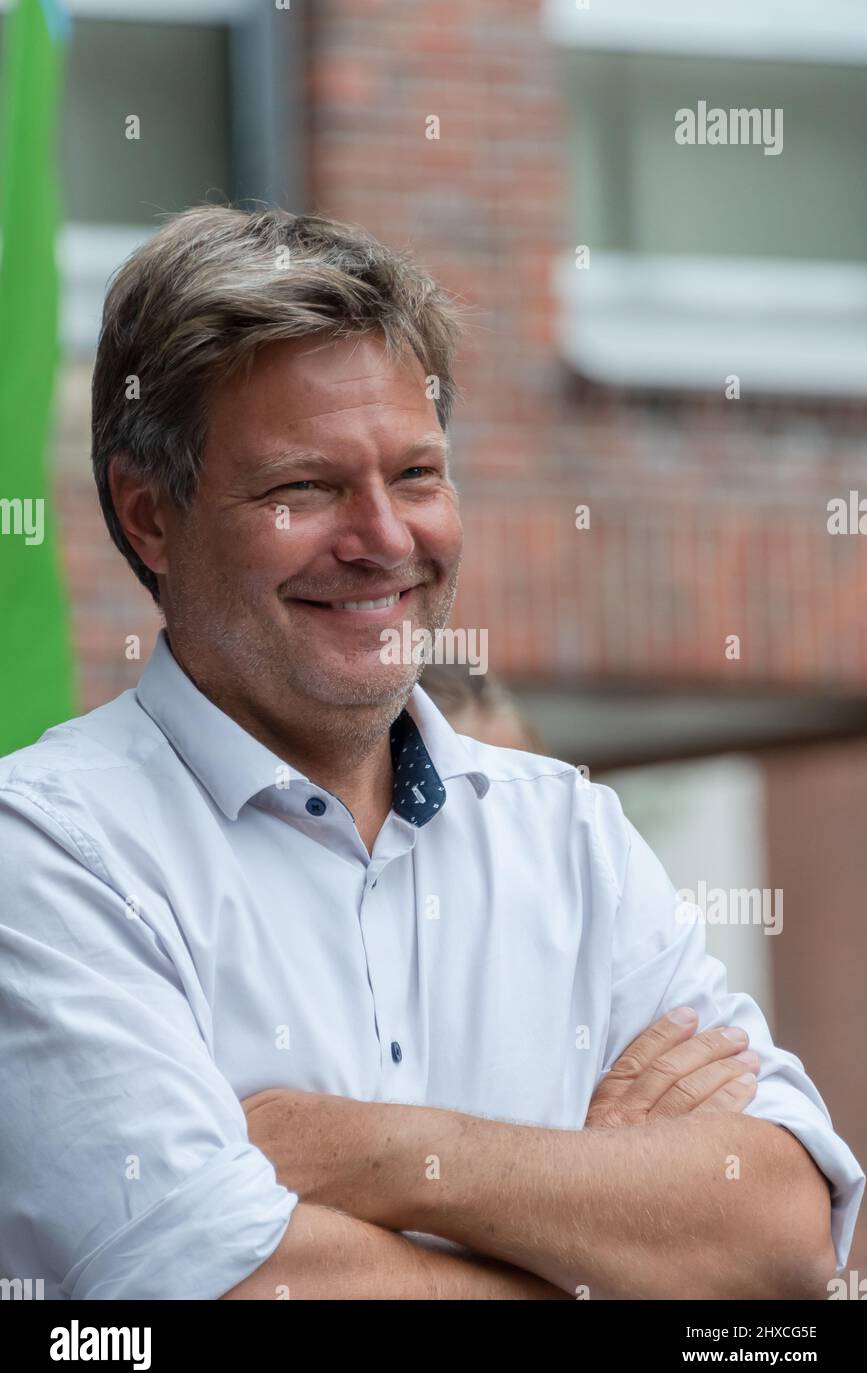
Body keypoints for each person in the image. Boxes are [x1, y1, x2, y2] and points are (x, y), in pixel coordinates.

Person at [0, 206, 862, 1300]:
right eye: (303, 487)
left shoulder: (567, 831)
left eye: (415, 474)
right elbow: (233, 1294)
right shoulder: (45, 856)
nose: (387, 541)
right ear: (149, 515)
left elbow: (784, 1231)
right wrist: (598, 1232)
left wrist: (386, 1156)